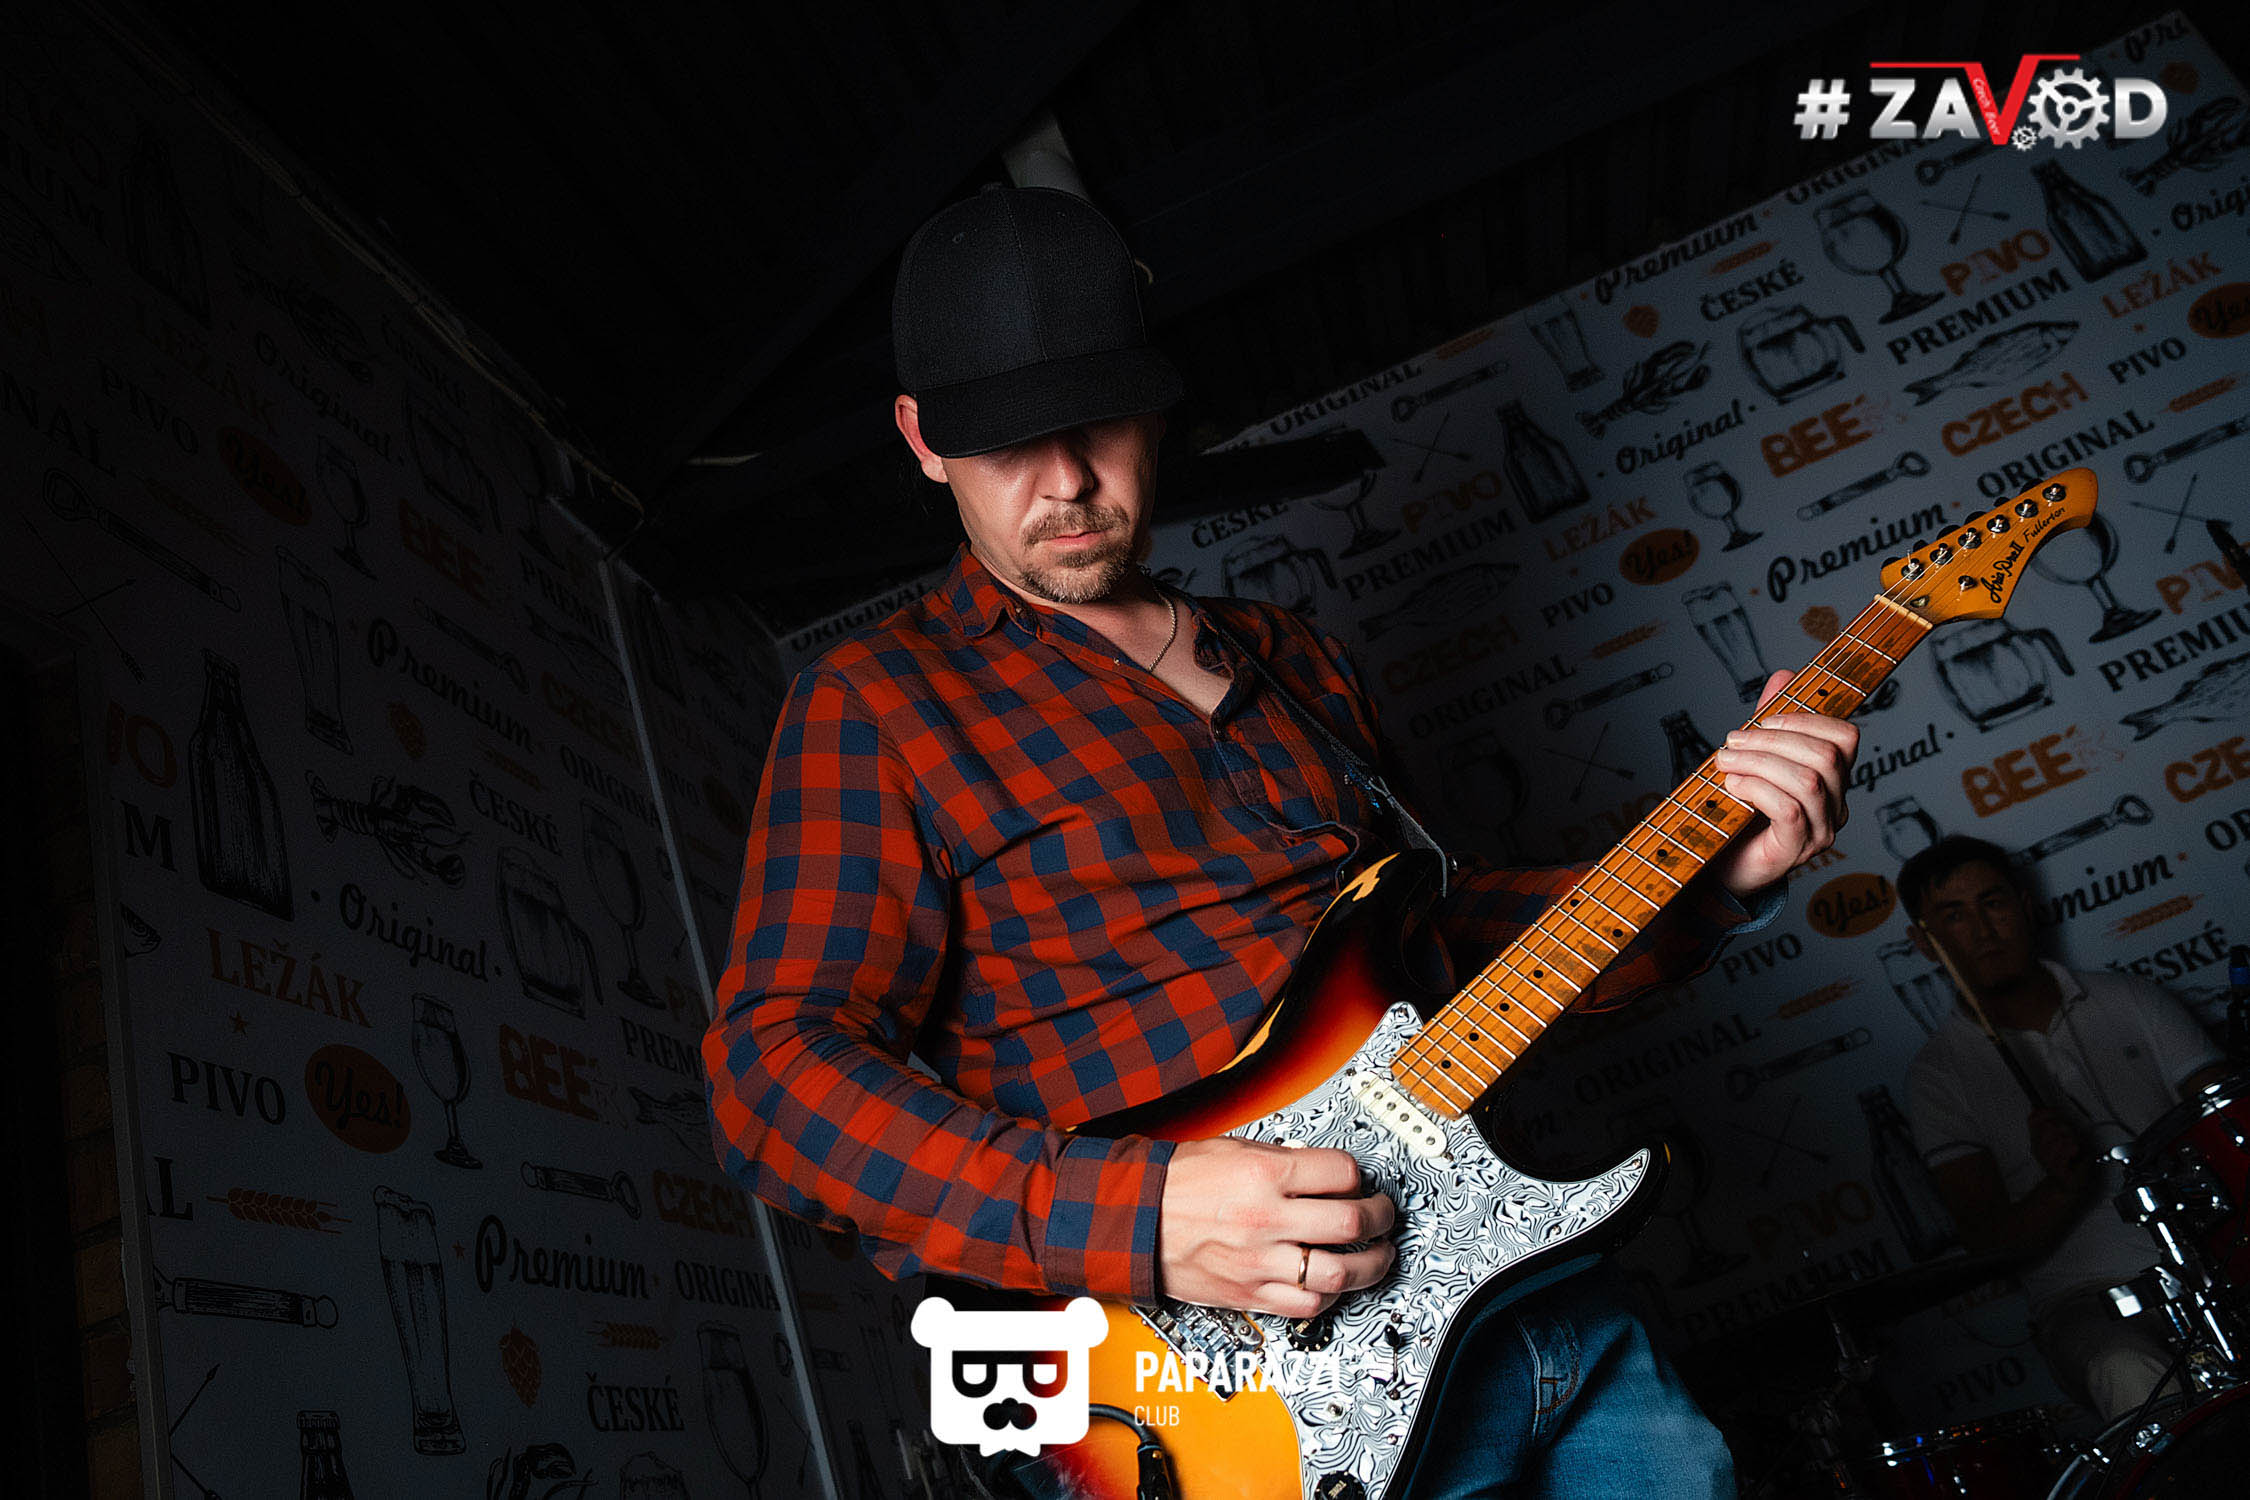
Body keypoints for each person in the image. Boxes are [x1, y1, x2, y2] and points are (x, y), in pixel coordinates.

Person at [704, 185, 1861, 1498]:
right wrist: (1139, 1219)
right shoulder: (879, 703)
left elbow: (1435, 959)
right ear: (923, 441)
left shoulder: (1294, 659)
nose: (1067, 480)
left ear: (1156, 407)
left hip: (1525, 1299)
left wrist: (1712, 877)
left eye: (1098, 420)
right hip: (1236, 1408)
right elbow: (772, 1075)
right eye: (1006, 443)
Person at [1898, 835, 2231, 1422]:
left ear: (2025, 907)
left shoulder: (2131, 998)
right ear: (1925, 942)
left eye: (1993, 903)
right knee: (2123, 1367)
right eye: (1954, 915)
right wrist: (2059, 1188)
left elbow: (2228, 1119)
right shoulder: (1937, 1076)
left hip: (2217, 1259)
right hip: (2087, 1301)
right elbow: (1987, 1244)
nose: (1983, 930)